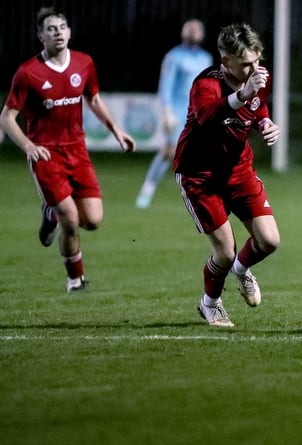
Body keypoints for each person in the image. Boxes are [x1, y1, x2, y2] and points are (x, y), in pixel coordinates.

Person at [0, 7, 136, 292]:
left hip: (77, 151)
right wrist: (28, 146)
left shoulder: (84, 63)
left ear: (70, 32)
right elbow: (7, 117)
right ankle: (75, 279)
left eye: (62, 26)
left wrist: (116, 130)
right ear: (41, 36)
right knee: (70, 218)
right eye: (51, 28)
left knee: (93, 220)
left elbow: (94, 99)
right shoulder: (28, 73)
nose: (58, 32)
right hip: (46, 153)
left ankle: (50, 215)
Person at [173, 23, 281, 327]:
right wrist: (242, 95)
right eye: (246, 63)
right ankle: (211, 304)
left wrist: (265, 124)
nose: (255, 69)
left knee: (269, 240)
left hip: (238, 169)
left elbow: (259, 107)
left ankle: (242, 269)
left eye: (258, 61)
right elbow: (207, 116)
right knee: (224, 251)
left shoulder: (260, 77)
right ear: (226, 63)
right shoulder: (205, 84)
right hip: (200, 175)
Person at [135, 19, 213, 208]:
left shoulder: (206, 58)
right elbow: (166, 84)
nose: (194, 32)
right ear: (184, 32)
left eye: (197, 29)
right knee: (169, 150)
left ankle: (201, 193)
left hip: (198, 111)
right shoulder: (174, 56)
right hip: (177, 110)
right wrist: (167, 110)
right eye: (190, 29)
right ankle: (148, 189)